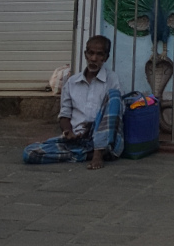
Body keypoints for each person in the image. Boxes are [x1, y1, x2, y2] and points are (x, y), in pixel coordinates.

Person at [23, 36, 123, 170]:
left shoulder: (112, 79)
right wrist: (68, 132)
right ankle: (85, 154)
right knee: (30, 153)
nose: (94, 58)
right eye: (91, 53)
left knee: (115, 97)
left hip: (103, 137)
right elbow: (65, 114)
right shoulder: (72, 82)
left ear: (105, 58)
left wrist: (94, 126)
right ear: (85, 55)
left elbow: (116, 112)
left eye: (99, 54)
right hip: (79, 138)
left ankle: (98, 153)